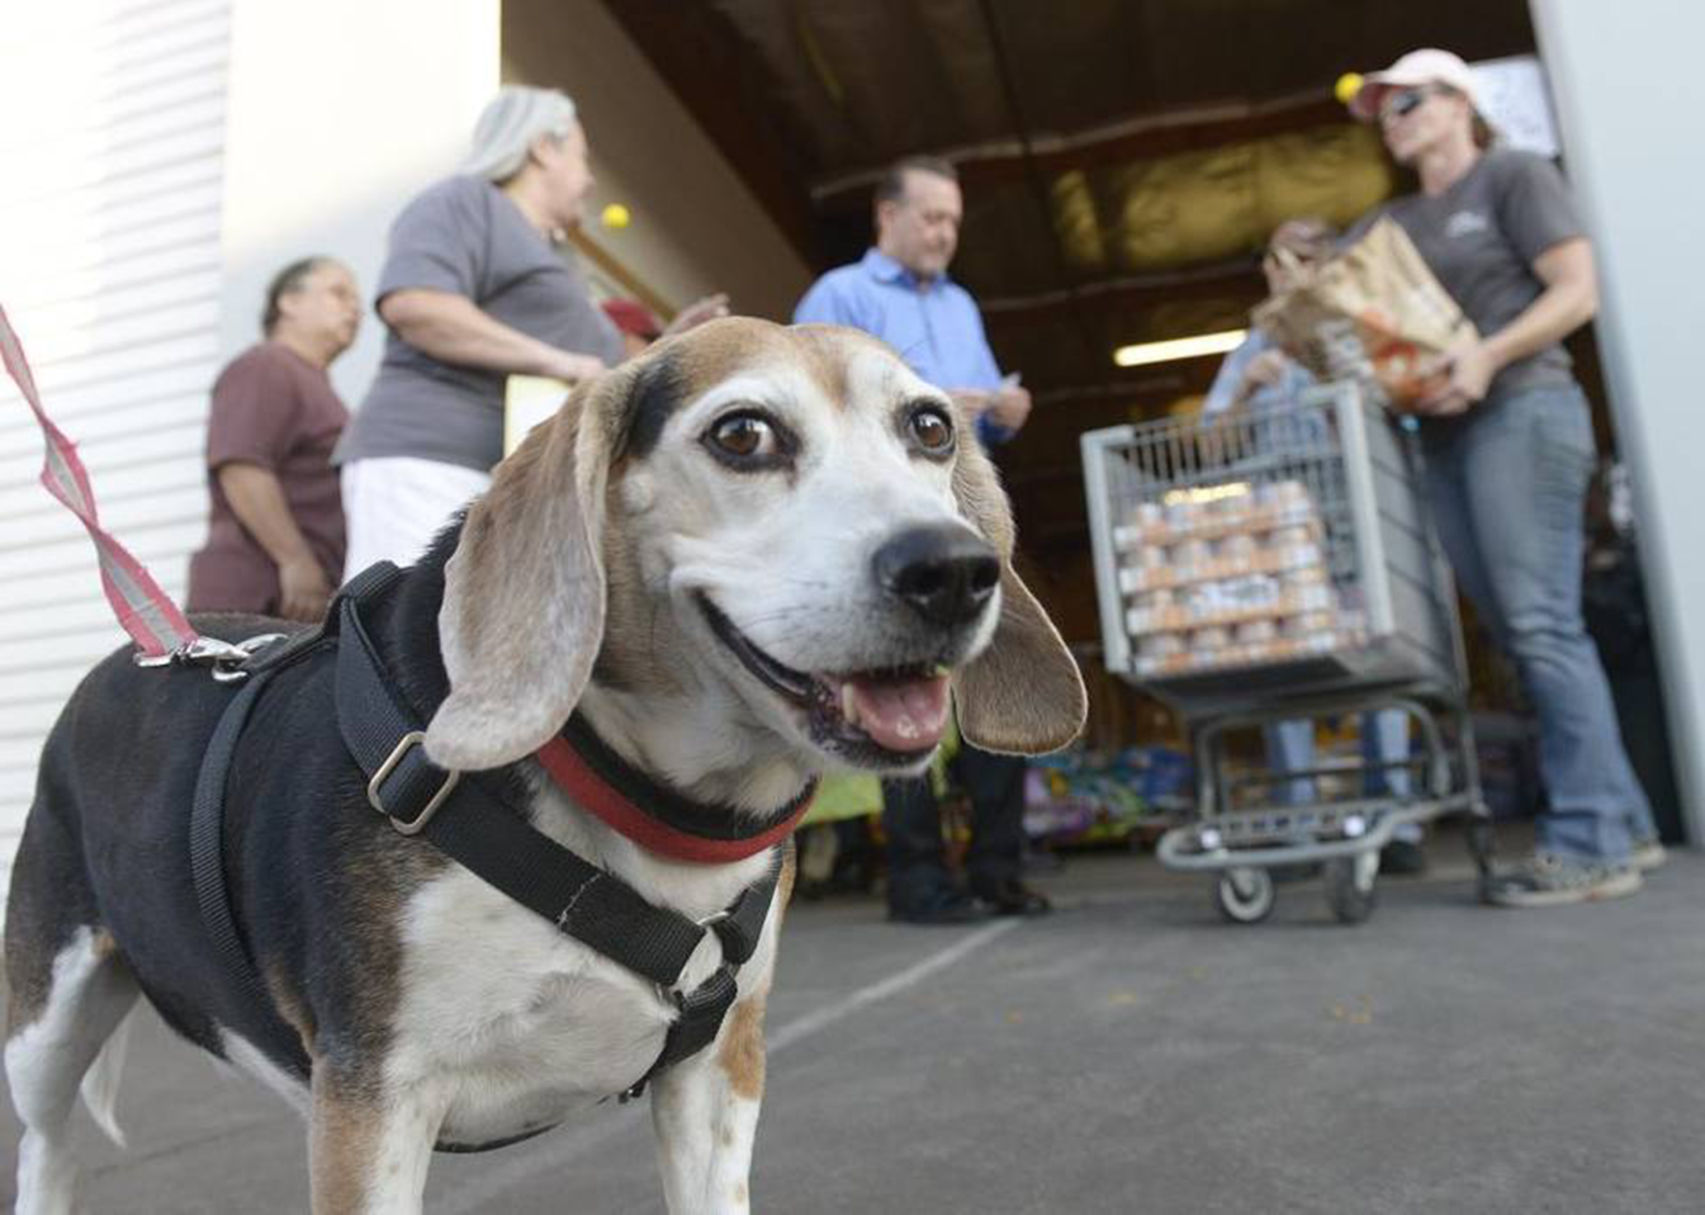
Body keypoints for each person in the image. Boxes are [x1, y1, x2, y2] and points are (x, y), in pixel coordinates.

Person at [1346, 48, 1664, 906]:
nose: (1392, 115)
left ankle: (1590, 837)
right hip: (1446, 435)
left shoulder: (1512, 178)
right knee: (1524, 632)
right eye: (1382, 107)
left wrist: (1486, 355)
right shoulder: (1400, 222)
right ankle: (1624, 822)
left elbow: (1575, 290)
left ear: (1458, 103)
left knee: (1540, 626)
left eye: (1407, 98)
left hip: (1520, 410)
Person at [794, 155, 1047, 924]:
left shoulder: (962, 304)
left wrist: (1007, 405)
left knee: (991, 687)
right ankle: (919, 880)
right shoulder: (838, 294)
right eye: (933, 217)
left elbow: (980, 404)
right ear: (887, 215)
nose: (945, 233)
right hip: (885, 526)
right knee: (897, 691)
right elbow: (808, 397)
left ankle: (997, 870)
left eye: (953, 222)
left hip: (968, 506)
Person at [335, 86, 726, 576]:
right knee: (398, 634)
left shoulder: (559, 262)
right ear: (544, 146)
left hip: (508, 482)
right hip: (428, 458)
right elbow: (416, 304)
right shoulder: (464, 201)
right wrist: (555, 360)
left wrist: (671, 340)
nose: (589, 181)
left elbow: (592, 370)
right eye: (582, 159)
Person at [1203, 219, 1425, 874]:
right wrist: (1246, 390)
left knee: (1375, 650)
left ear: (1325, 266)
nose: (1281, 273)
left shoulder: (1356, 331)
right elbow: (1209, 443)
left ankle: (1393, 812)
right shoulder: (1247, 351)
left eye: (1297, 260)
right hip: (1282, 526)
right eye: (1272, 262)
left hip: (1356, 515)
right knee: (1289, 661)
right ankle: (1298, 813)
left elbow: (1397, 420)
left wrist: (1321, 371)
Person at [186, 257, 360, 621]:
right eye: (338, 293)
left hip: (296, 605)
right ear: (288, 302)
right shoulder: (267, 366)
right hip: (255, 598)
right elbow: (242, 466)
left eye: (356, 300)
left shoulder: (318, 387)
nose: (354, 309)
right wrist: (295, 560)